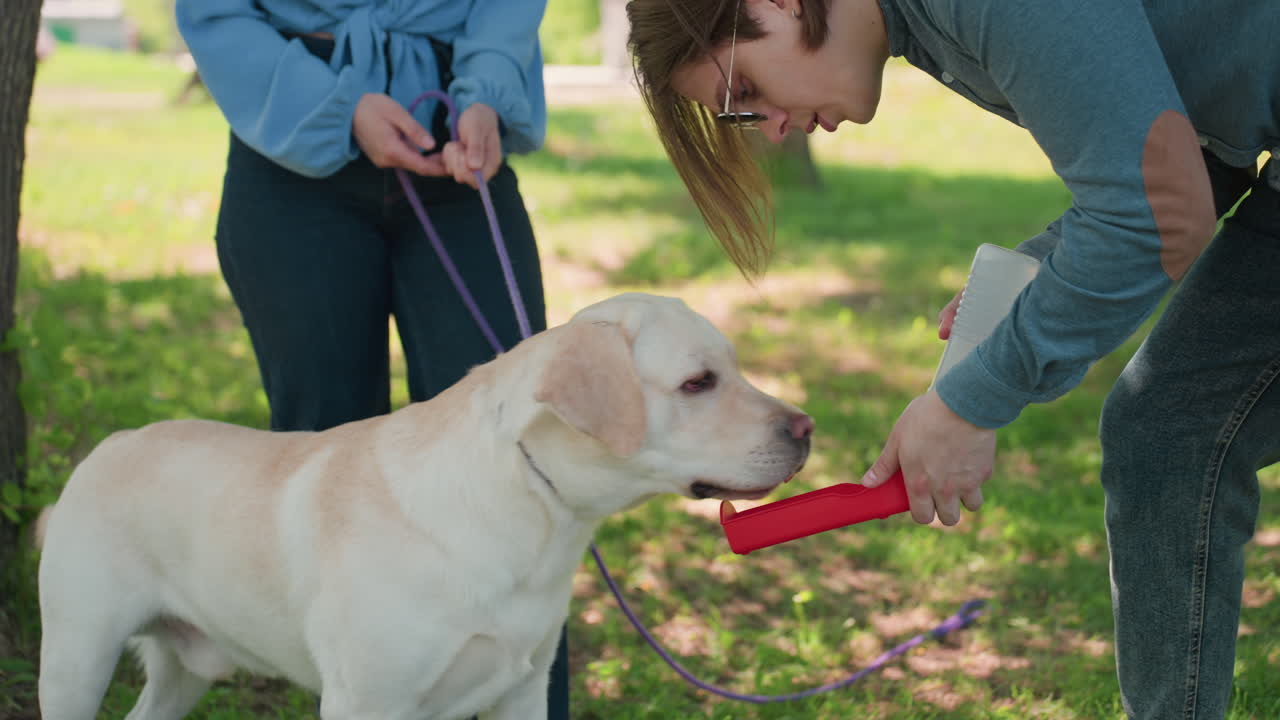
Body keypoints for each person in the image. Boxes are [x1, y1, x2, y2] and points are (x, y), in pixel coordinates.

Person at [625, 0, 1279, 717]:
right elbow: (1196, 149)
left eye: (743, 92)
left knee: (1173, 431)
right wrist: (1043, 269)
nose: (771, 128)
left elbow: (1157, 214)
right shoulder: (917, 27)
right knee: (1170, 434)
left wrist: (974, 399)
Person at [174, 1, 570, 717]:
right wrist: (339, 105)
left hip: (459, 134)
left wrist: (487, 93)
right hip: (290, 142)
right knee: (322, 452)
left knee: (518, 454)